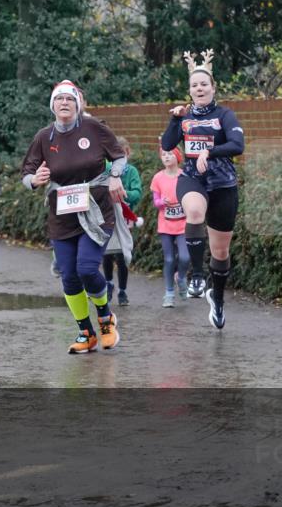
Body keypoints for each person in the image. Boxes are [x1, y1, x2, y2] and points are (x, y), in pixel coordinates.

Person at [21, 80, 127, 354]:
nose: (64, 103)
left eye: (69, 99)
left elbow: (119, 157)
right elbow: (26, 173)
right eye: (59, 100)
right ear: (52, 106)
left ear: (78, 105)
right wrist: (35, 179)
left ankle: (105, 318)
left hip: (95, 210)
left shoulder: (94, 128)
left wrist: (115, 176)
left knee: (87, 268)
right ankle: (86, 332)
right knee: (68, 276)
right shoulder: (44, 137)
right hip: (62, 215)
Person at [161, 50, 244, 329]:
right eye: (195, 85)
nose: (199, 88)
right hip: (193, 179)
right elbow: (167, 143)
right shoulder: (183, 117)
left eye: (204, 84)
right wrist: (174, 120)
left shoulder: (225, 115)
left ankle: (217, 298)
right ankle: (196, 275)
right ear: (190, 90)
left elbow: (237, 145)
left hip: (223, 184)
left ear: (213, 88)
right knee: (194, 212)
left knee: (220, 253)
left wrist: (211, 150)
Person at [101, 136, 142, 305]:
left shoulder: (131, 171)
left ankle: (123, 291)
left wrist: (124, 194)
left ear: (127, 153)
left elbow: (137, 192)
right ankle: (109, 284)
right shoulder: (105, 171)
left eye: (121, 155)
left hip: (125, 217)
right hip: (107, 216)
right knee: (106, 253)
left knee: (121, 254)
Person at [151, 146, 190, 307]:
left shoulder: (185, 176)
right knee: (168, 259)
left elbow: (192, 196)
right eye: (163, 155)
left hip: (183, 224)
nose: (166, 157)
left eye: (169, 154)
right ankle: (169, 293)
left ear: (177, 156)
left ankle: (180, 277)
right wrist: (162, 202)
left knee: (185, 257)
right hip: (165, 224)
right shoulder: (158, 178)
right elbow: (156, 201)